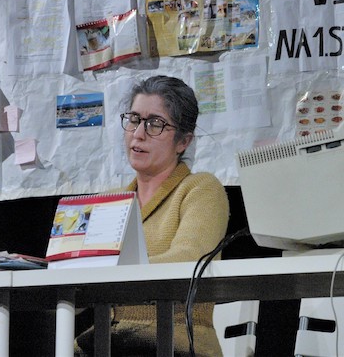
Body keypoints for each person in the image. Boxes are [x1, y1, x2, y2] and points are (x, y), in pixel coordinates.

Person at [75, 75, 229, 356]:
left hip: (177, 341)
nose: (138, 134)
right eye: (134, 119)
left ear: (183, 141)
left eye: (155, 124)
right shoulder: (111, 201)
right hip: (109, 341)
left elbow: (190, 259)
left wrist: (105, 269)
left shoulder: (201, 189)